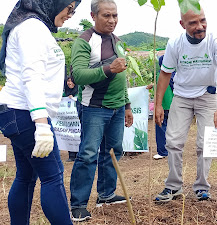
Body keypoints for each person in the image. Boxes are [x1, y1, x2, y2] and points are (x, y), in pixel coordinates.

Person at [0, 0, 80, 224]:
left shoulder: (34, 26)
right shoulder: (32, 28)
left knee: (26, 176)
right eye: (69, 7)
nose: (71, 13)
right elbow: (31, 77)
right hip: (25, 113)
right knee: (53, 176)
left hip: (18, 112)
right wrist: (42, 126)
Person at [154, 7, 217, 202]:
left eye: (202, 20)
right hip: (181, 96)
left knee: (205, 143)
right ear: (183, 25)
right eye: (193, 23)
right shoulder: (175, 43)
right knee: (173, 141)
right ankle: (173, 187)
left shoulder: (215, 40)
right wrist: (157, 104)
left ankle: (201, 187)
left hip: (208, 96)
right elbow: (165, 74)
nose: (200, 27)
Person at [69, 0, 133, 221]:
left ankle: (105, 194)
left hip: (116, 108)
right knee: (87, 155)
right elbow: (77, 75)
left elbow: (122, 77)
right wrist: (108, 68)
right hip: (94, 108)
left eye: (115, 15)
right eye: (107, 15)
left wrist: (127, 105)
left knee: (113, 152)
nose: (112, 20)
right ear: (93, 16)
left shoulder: (117, 41)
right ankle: (77, 204)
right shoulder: (84, 41)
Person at [147, 55, 175, 160]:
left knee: (160, 127)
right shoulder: (174, 74)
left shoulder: (160, 74)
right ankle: (172, 149)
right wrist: (153, 85)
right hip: (174, 104)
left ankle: (162, 151)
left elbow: (162, 85)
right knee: (172, 128)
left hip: (163, 105)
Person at [63, 75, 79, 162]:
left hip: (77, 119)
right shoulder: (64, 93)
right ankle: (71, 155)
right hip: (67, 119)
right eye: (68, 81)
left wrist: (73, 99)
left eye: (71, 81)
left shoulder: (79, 92)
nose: (69, 83)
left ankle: (78, 154)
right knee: (68, 134)